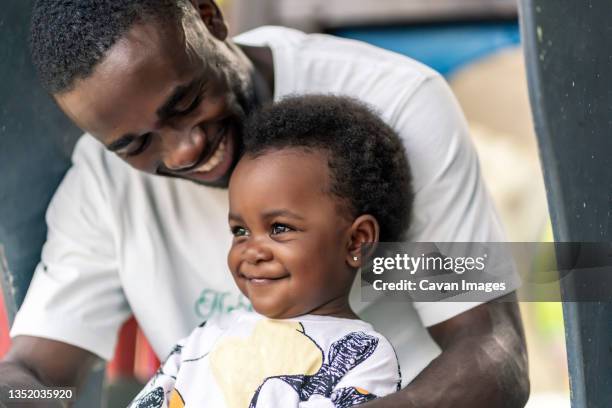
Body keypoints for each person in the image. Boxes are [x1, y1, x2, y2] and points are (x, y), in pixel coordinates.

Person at [0, 1, 529, 407]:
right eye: (137, 145)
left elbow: (491, 348)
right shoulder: (103, 184)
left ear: (209, 18)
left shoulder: (395, 104)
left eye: (185, 103)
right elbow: (38, 377)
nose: (185, 150)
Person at [129, 94, 410, 408]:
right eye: (240, 231)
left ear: (357, 240)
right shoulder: (204, 339)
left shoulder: (361, 355)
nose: (252, 251)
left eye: (279, 228)